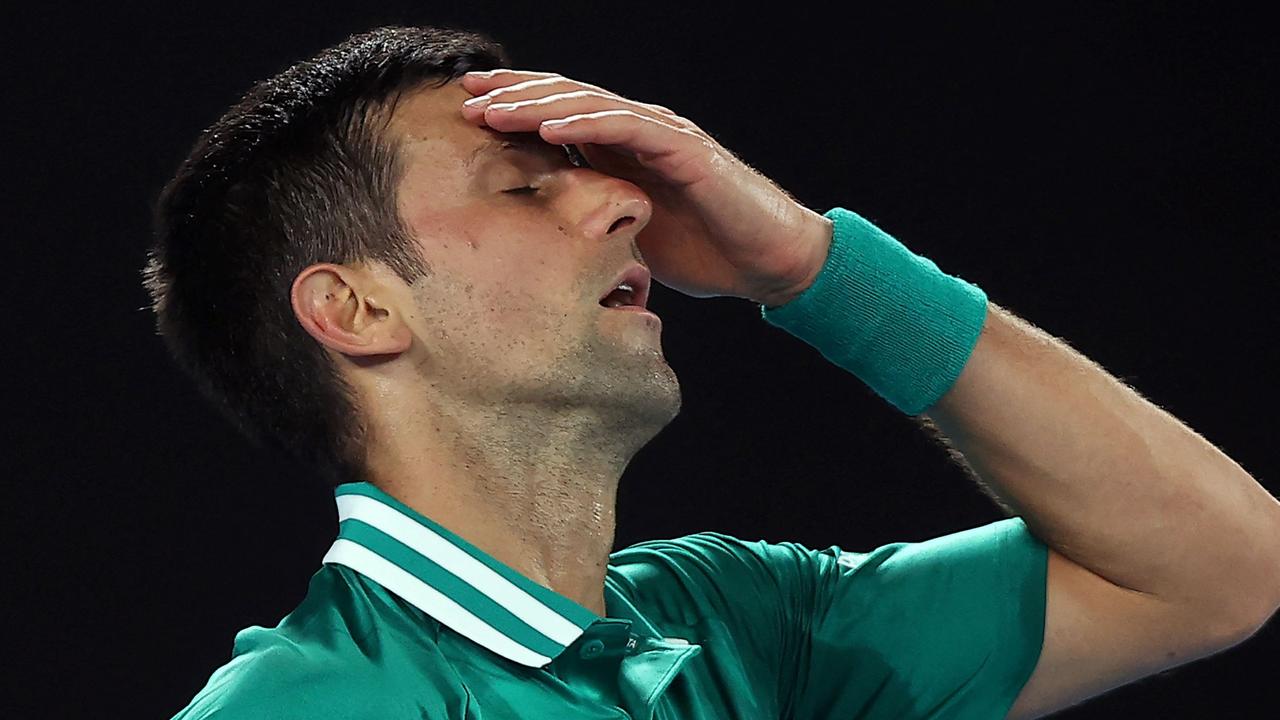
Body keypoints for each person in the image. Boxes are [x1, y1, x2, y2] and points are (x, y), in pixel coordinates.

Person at [145, 25, 1279, 720]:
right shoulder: (311, 709)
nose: (625, 198)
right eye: (521, 186)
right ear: (354, 309)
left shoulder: (738, 624)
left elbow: (1221, 566)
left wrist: (809, 265)